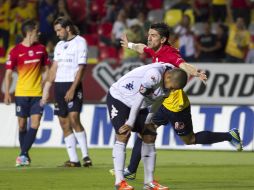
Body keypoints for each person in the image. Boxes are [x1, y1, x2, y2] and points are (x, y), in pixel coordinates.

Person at [112, 22, 243, 180]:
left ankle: (230, 136)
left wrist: (196, 73)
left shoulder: (169, 54)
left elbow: (183, 64)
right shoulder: (155, 50)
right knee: (144, 132)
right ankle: (131, 170)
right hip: (161, 102)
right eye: (149, 34)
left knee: (190, 139)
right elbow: (142, 48)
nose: (149, 38)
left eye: (153, 35)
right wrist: (130, 45)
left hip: (176, 106)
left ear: (162, 39)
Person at [107, 62, 188, 190]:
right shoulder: (153, 76)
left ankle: (149, 183)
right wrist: (129, 123)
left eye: (174, 89)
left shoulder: (171, 79)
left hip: (140, 105)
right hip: (120, 98)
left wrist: (148, 121)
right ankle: (119, 182)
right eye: (171, 87)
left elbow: (158, 101)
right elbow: (138, 99)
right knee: (123, 134)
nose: (171, 90)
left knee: (150, 135)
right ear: (167, 78)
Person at [40, 17, 92, 167]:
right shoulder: (59, 46)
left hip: (72, 85)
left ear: (67, 28)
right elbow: (54, 68)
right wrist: (47, 88)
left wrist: (72, 89)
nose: (57, 34)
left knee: (74, 118)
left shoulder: (80, 42)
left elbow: (82, 68)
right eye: (55, 30)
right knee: (63, 122)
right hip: (59, 86)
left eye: (59, 30)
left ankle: (86, 156)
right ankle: (74, 160)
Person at [4, 19, 50, 167]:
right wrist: (6, 92)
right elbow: (9, 73)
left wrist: (45, 85)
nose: (39, 33)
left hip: (37, 93)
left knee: (35, 123)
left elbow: (47, 69)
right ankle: (25, 154)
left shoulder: (42, 49)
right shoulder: (15, 51)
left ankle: (23, 154)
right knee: (22, 125)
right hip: (21, 93)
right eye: (37, 31)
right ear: (30, 33)